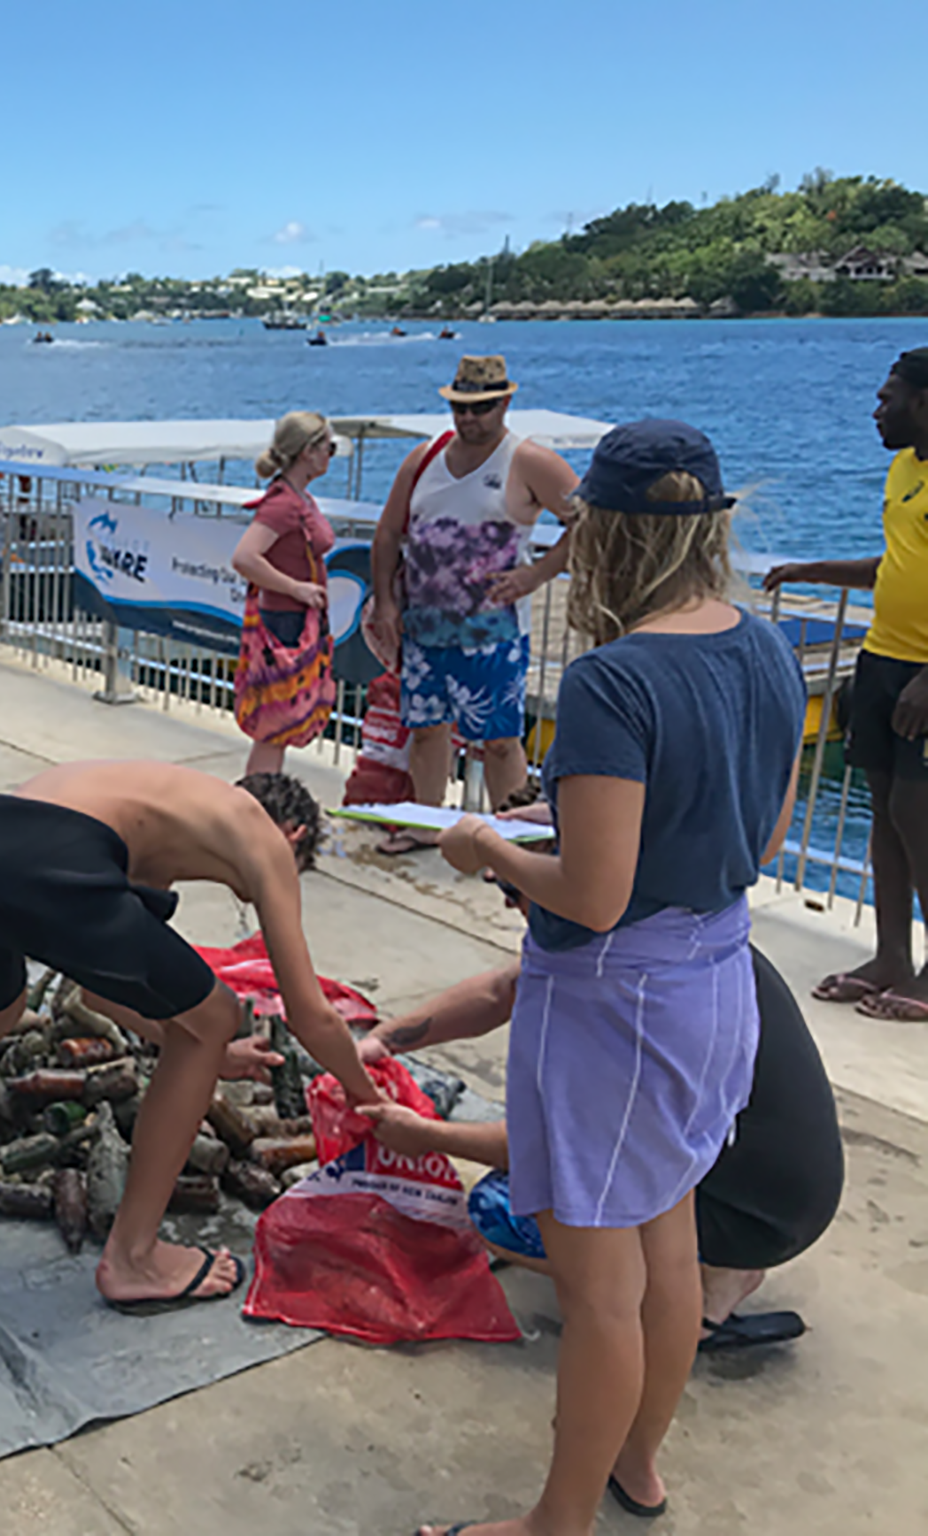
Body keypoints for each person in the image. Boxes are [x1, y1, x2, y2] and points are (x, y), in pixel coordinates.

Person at [417, 420, 803, 1536]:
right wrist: (571, 824)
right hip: (713, 974)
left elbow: (587, 894)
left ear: (605, 537)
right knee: (666, 1240)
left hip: (615, 1005)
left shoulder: (611, 680)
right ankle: (635, 1463)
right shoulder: (764, 647)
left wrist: (489, 846)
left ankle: (554, 1522)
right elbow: (756, 834)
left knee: (597, 1289)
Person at [0, 762, 381, 1307]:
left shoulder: (163, 811)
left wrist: (202, 1049)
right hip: (49, 854)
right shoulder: (261, 833)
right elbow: (311, 1016)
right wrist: (367, 1098)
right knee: (216, 1014)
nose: (261, 898)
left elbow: (99, 992)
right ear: (294, 835)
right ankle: (134, 1257)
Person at [361, 938, 842, 1353]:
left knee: (499, 1210)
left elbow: (560, 1148)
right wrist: (384, 1040)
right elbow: (501, 989)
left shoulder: (625, 996)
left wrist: (424, 1136)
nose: (503, 890)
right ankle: (714, 1268)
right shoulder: (681, 933)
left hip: (751, 1215)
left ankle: (696, 1293)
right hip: (781, 1186)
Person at [763, 348, 928, 1020]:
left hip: (923, 676)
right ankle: (892, 955)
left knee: (920, 820)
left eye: (889, 398)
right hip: (882, 660)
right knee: (884, 818)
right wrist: (811, 569)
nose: (876, 409)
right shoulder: (904, 467)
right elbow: (896, 565)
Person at [364, 355, 578, 851]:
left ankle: (512, 841)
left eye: (481, 408)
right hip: (423, 630)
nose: (469, 418)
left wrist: (538, 573)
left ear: (504, 402)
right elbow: (388, 532)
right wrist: (387, 604)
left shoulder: (528, 461)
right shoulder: (423, 458)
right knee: (425, 732)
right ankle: (426, 824)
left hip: (494, 636)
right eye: (461, 407)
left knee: (501, 742)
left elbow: (588, 521)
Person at [229, 410, 337, 774]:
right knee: (274, 729)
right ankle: (258, 807)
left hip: (294, 621)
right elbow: (245, 557)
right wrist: (297, 589)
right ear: (308, 451)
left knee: (278, 726)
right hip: (286, 625)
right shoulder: (284, 505)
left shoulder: (297, 498)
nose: (330, 455)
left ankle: (260, 805)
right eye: (328, 447)